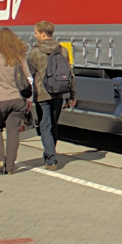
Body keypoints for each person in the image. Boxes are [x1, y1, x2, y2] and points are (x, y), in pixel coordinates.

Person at [27, 21, 76, 171]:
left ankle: (51, 159)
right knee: (53, 124)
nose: (34, 35)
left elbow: (30, 74)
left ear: (43, 34)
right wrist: (72, 95)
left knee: (45, 126)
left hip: (42, 94)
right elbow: (70, 74)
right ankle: (50, 153)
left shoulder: (34, 52)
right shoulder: (63, 50)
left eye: (36, 33)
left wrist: (27, 96)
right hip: (59, 92)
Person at [0, 28, 33, 175]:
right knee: (13, 132)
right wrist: (29, 99)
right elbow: (28, 79)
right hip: (18, 100)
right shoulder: (19, 57)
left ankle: (0, 159)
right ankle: (10, 167)